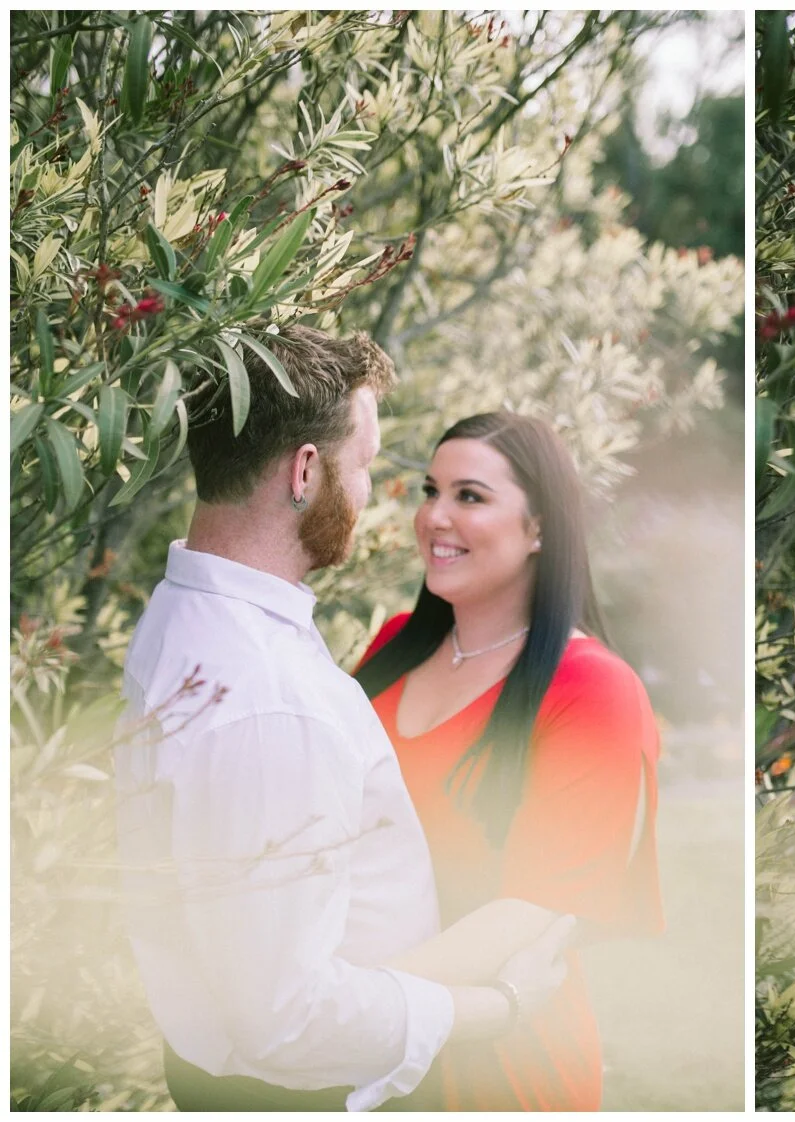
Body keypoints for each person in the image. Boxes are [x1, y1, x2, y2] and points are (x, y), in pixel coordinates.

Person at [115, 327, 574, 1112]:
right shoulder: (269, 702)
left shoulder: (184, 611)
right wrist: (495, 1008)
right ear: (304, 471)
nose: (365, 499)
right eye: (360, 468)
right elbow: (286, 1019)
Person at [353, 411, 665, 1111]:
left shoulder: (593, 690)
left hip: (492, 1059)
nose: (434, 516)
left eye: (470, 496)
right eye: (431, 490)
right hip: (356, 1045)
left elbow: (528, 911)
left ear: (541, 528)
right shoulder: (393, 650)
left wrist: (348, 1009)